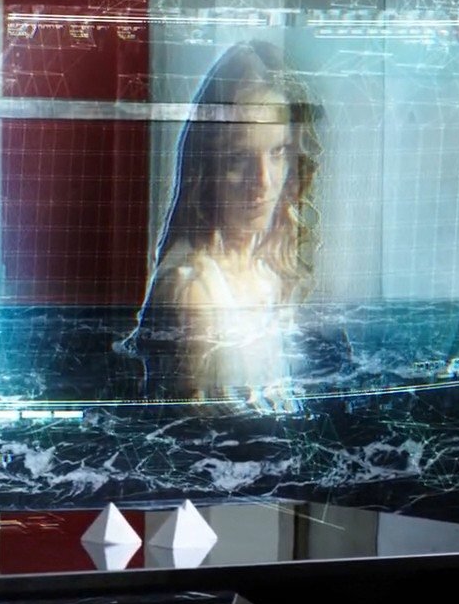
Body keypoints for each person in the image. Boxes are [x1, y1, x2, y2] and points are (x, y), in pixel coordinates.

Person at [120, 41, 323, 409]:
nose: (263, 182)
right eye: (239, 158)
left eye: (277, 152)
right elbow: (192, 436)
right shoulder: (194, 292)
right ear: (207, 166)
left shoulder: (265, 269)